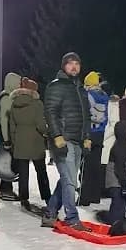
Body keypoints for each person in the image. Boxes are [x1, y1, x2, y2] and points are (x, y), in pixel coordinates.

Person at [42, 52, 92, 231]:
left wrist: (87, 138)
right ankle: (71, 217)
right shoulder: (56, 86)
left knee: (66, 179)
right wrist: (57, 137)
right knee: (70, 181)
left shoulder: (80, 89)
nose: (74, 67)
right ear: (64, 66)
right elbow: (51, 112)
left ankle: (50, 212)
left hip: (78, 141)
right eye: (70, 64)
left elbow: (86, 116)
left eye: (77, 64)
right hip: (63, 140)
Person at [9, 77, 52, 207]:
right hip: (35, 142)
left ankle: (24, 198)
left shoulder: (14, 103)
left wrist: (15, 141)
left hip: (20, 142)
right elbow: (40, 124)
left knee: (23, 173)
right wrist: (47, 132)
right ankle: (47, 196)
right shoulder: (37, 104)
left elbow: (12, 126)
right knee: (41, 171)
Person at [79, 71, 109, 206]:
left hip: (89, 133)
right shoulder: (105, 96)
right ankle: (95, 196)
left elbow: (84, 114)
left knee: (86, 166)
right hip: (100, 133)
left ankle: (84, 198)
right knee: (96, 166)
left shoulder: (87, 95)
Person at [0, 72, 22, 200]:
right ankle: (5, 189)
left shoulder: (10, 96)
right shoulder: (6, 97)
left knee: (10, 161)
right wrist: (6, 140)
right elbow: (4, 121)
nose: (19, 85)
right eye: (18, 82)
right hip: (7, 134)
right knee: (8, 162)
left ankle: (6, 188)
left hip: (9, 133)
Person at [103, 121, 126, 224]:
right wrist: (125, 184)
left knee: (120, 202)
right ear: (123, 133)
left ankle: (119, 221)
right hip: (116, 182)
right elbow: (119, 168)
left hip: (120, 181)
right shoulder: (120, 147)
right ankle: (115, 222)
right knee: (118, 202)